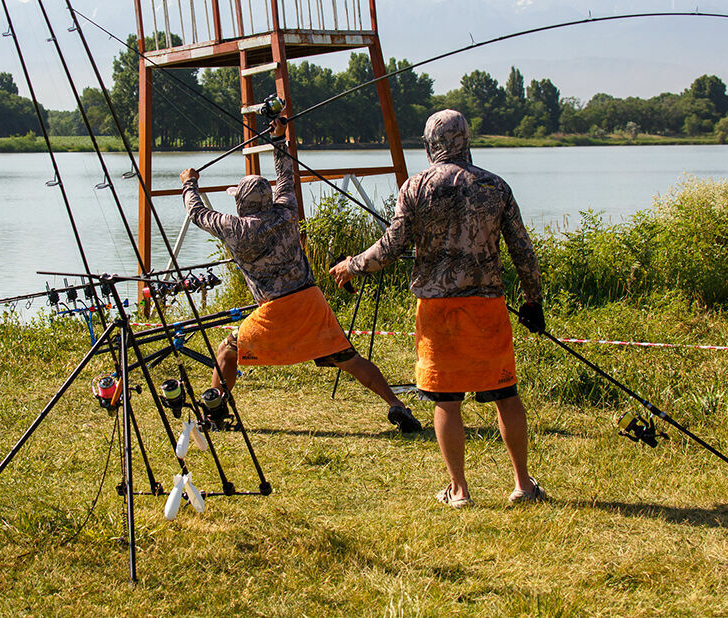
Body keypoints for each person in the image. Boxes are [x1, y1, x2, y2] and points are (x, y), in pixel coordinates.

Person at [329, 109, 547, 506]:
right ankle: (523, 484)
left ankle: (460, 490)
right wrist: (533, 300)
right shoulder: (495, 186)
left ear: (430, 145)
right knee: (504, 393)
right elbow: (522, 250)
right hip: (487, 308)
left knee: (447, 401)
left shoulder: (415, 187)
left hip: (437, 311)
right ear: (467, 140)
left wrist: (351, 266)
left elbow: (390, 249)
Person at [179, 117, 421, 433]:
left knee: (227, 350)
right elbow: (285, 177)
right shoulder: (285, 211)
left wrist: (188, 183)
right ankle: (397, 406)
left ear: (240, 203)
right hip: (311, 304)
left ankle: (215, 414)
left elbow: (197, 213)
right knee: (350, 359)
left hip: (273, 313)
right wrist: (279, 139)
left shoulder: (235, 228)